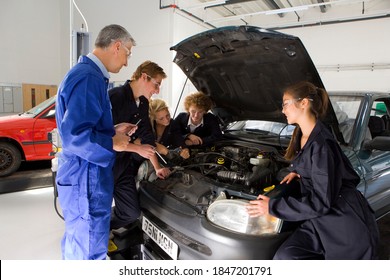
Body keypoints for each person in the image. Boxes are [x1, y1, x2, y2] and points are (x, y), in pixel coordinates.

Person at [246, 81, 379, 260]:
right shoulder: (304, 134)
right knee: (286, 256)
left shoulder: (322, 145)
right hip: (319, 220)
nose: (283, 110)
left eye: (285, 104)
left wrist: (271, 206)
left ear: (304, 103)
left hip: (342, 223)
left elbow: (320, 202)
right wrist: (300, 170)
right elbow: (311, 163)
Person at [55, 24, 137, 260]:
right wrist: (114, 142)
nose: (126, 62)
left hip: (82, 173)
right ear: (117, 46)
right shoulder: (89, 78)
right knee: (89, 250)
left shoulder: (89, 75)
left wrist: (112, 130)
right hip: (85, 177)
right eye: (128, 53)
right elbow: (76, 135)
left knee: (78, 241)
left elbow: (84, 127)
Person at [109, 61, 171, 230]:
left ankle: (103, 228)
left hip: (124, 167)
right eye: (156, 84)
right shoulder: (115, 97)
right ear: (144, 77)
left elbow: (147, 137)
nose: (157, 90)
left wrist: (157, 167)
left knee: (131, 212)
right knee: (97, 211)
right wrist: (136, 147)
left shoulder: (143, 103)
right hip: (105, 168)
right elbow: (107, 139)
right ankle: (95, 235)